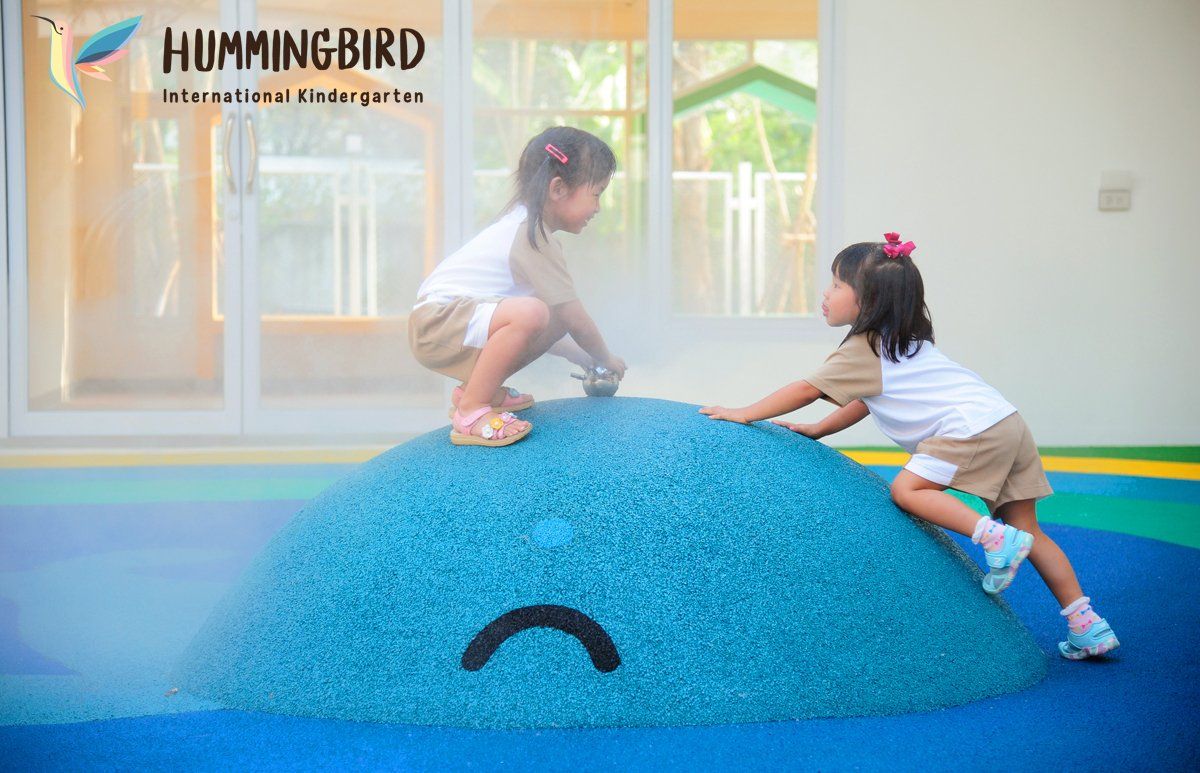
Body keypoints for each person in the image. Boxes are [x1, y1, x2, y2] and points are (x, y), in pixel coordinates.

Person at [701, 233, 1118, 659]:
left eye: (837, 284)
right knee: (1031, 531)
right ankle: (1086, 624)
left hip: (969, 429)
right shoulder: (904, 340)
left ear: (869, 300)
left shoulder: (866, 348)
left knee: (908, 491)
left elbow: (807, 388)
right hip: (1004, 421)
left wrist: (746, 412)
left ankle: (993, 537)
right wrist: (821, 429)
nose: (826, 293)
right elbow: (865, 399)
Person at [408, 126, 627, 446]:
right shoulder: (530, 234)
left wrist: (581, 356)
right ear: (558, 189)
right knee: (535, 312)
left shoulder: (532, 230)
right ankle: (471, 409)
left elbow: (557, 322)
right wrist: (606, 358)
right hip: (437, 322)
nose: (598, 207)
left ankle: (476, 390)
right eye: (596, 193)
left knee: (548, 312)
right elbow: (576, 318)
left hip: (450, 322)